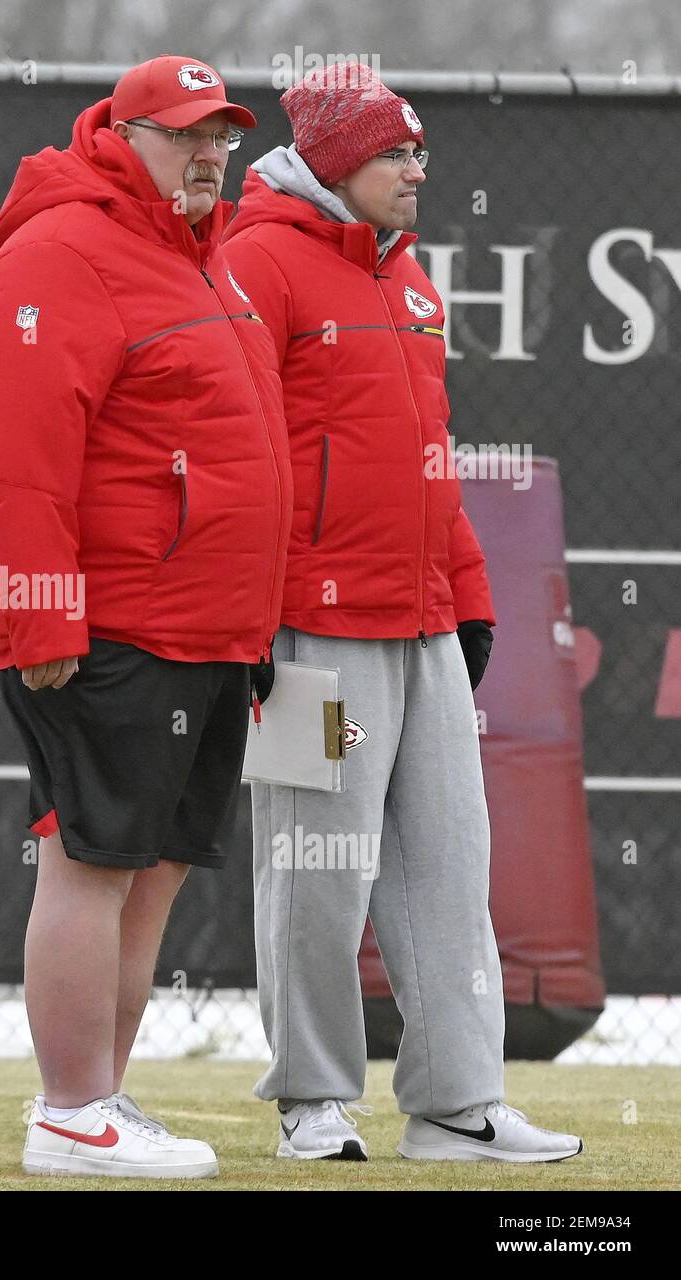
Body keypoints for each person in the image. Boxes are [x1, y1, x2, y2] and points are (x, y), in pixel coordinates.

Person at [214, 63, 581, 1162]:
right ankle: (311, 1100)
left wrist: (466, 597)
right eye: (393, 153)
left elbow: (435, 469)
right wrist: (252, 625)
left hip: (421, 627)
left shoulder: (412, 283)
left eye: (419, 151)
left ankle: (457, 1103)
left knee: (451, 868)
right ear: (332, 161)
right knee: (316, 872)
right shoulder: (256, 261)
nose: (417, 170)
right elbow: (244, 462)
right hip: (309, 629)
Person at [0, 56, 291, 1178]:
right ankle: (67, 1108)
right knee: (91, 864)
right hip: (111, 628)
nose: (209, 155)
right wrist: (36, 620)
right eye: (187, 134)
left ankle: (101, 1098)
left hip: (208, 629)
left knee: (152, 872)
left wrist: (256, 623)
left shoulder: (204, 262)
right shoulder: (57, 253)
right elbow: (15, 463)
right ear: (120, 133)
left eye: (224, 138)